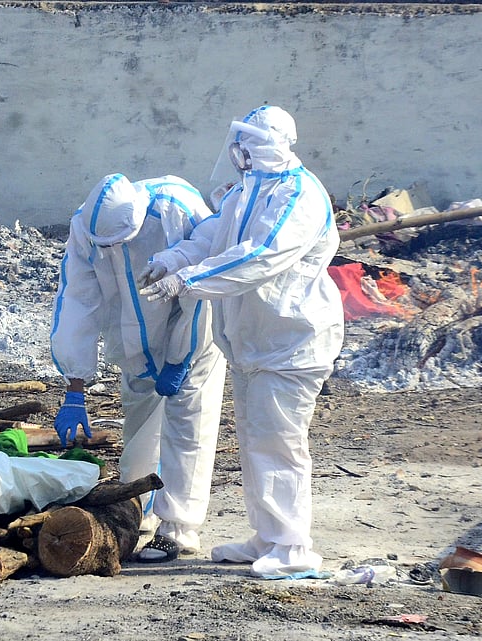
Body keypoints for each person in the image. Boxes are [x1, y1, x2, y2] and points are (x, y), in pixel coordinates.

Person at [139, 105, 344, 577]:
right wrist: (175, 258)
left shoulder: (300, 194)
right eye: (240, 141)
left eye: (249, 141)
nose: (239, 152)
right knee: (257, 441)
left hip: (293, 341)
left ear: (273, 142)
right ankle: (267, 536)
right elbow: (216, 236)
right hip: (255, 342)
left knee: (280, 445)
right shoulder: (251, 191)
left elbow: (261, 256)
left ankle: (293, 548)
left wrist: (188, 280)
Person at [50, 173, 227, 562]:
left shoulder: (176, 207)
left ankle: (178, 529)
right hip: (136, 346)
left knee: (188, 425)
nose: (112, 249)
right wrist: (74, 386)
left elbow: (199, 286)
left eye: (120, 243)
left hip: (191, 335)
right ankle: (135, 510)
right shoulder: (85, 227)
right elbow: (77, 301)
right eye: (105, 245)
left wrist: (182, 356)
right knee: (139, 426)